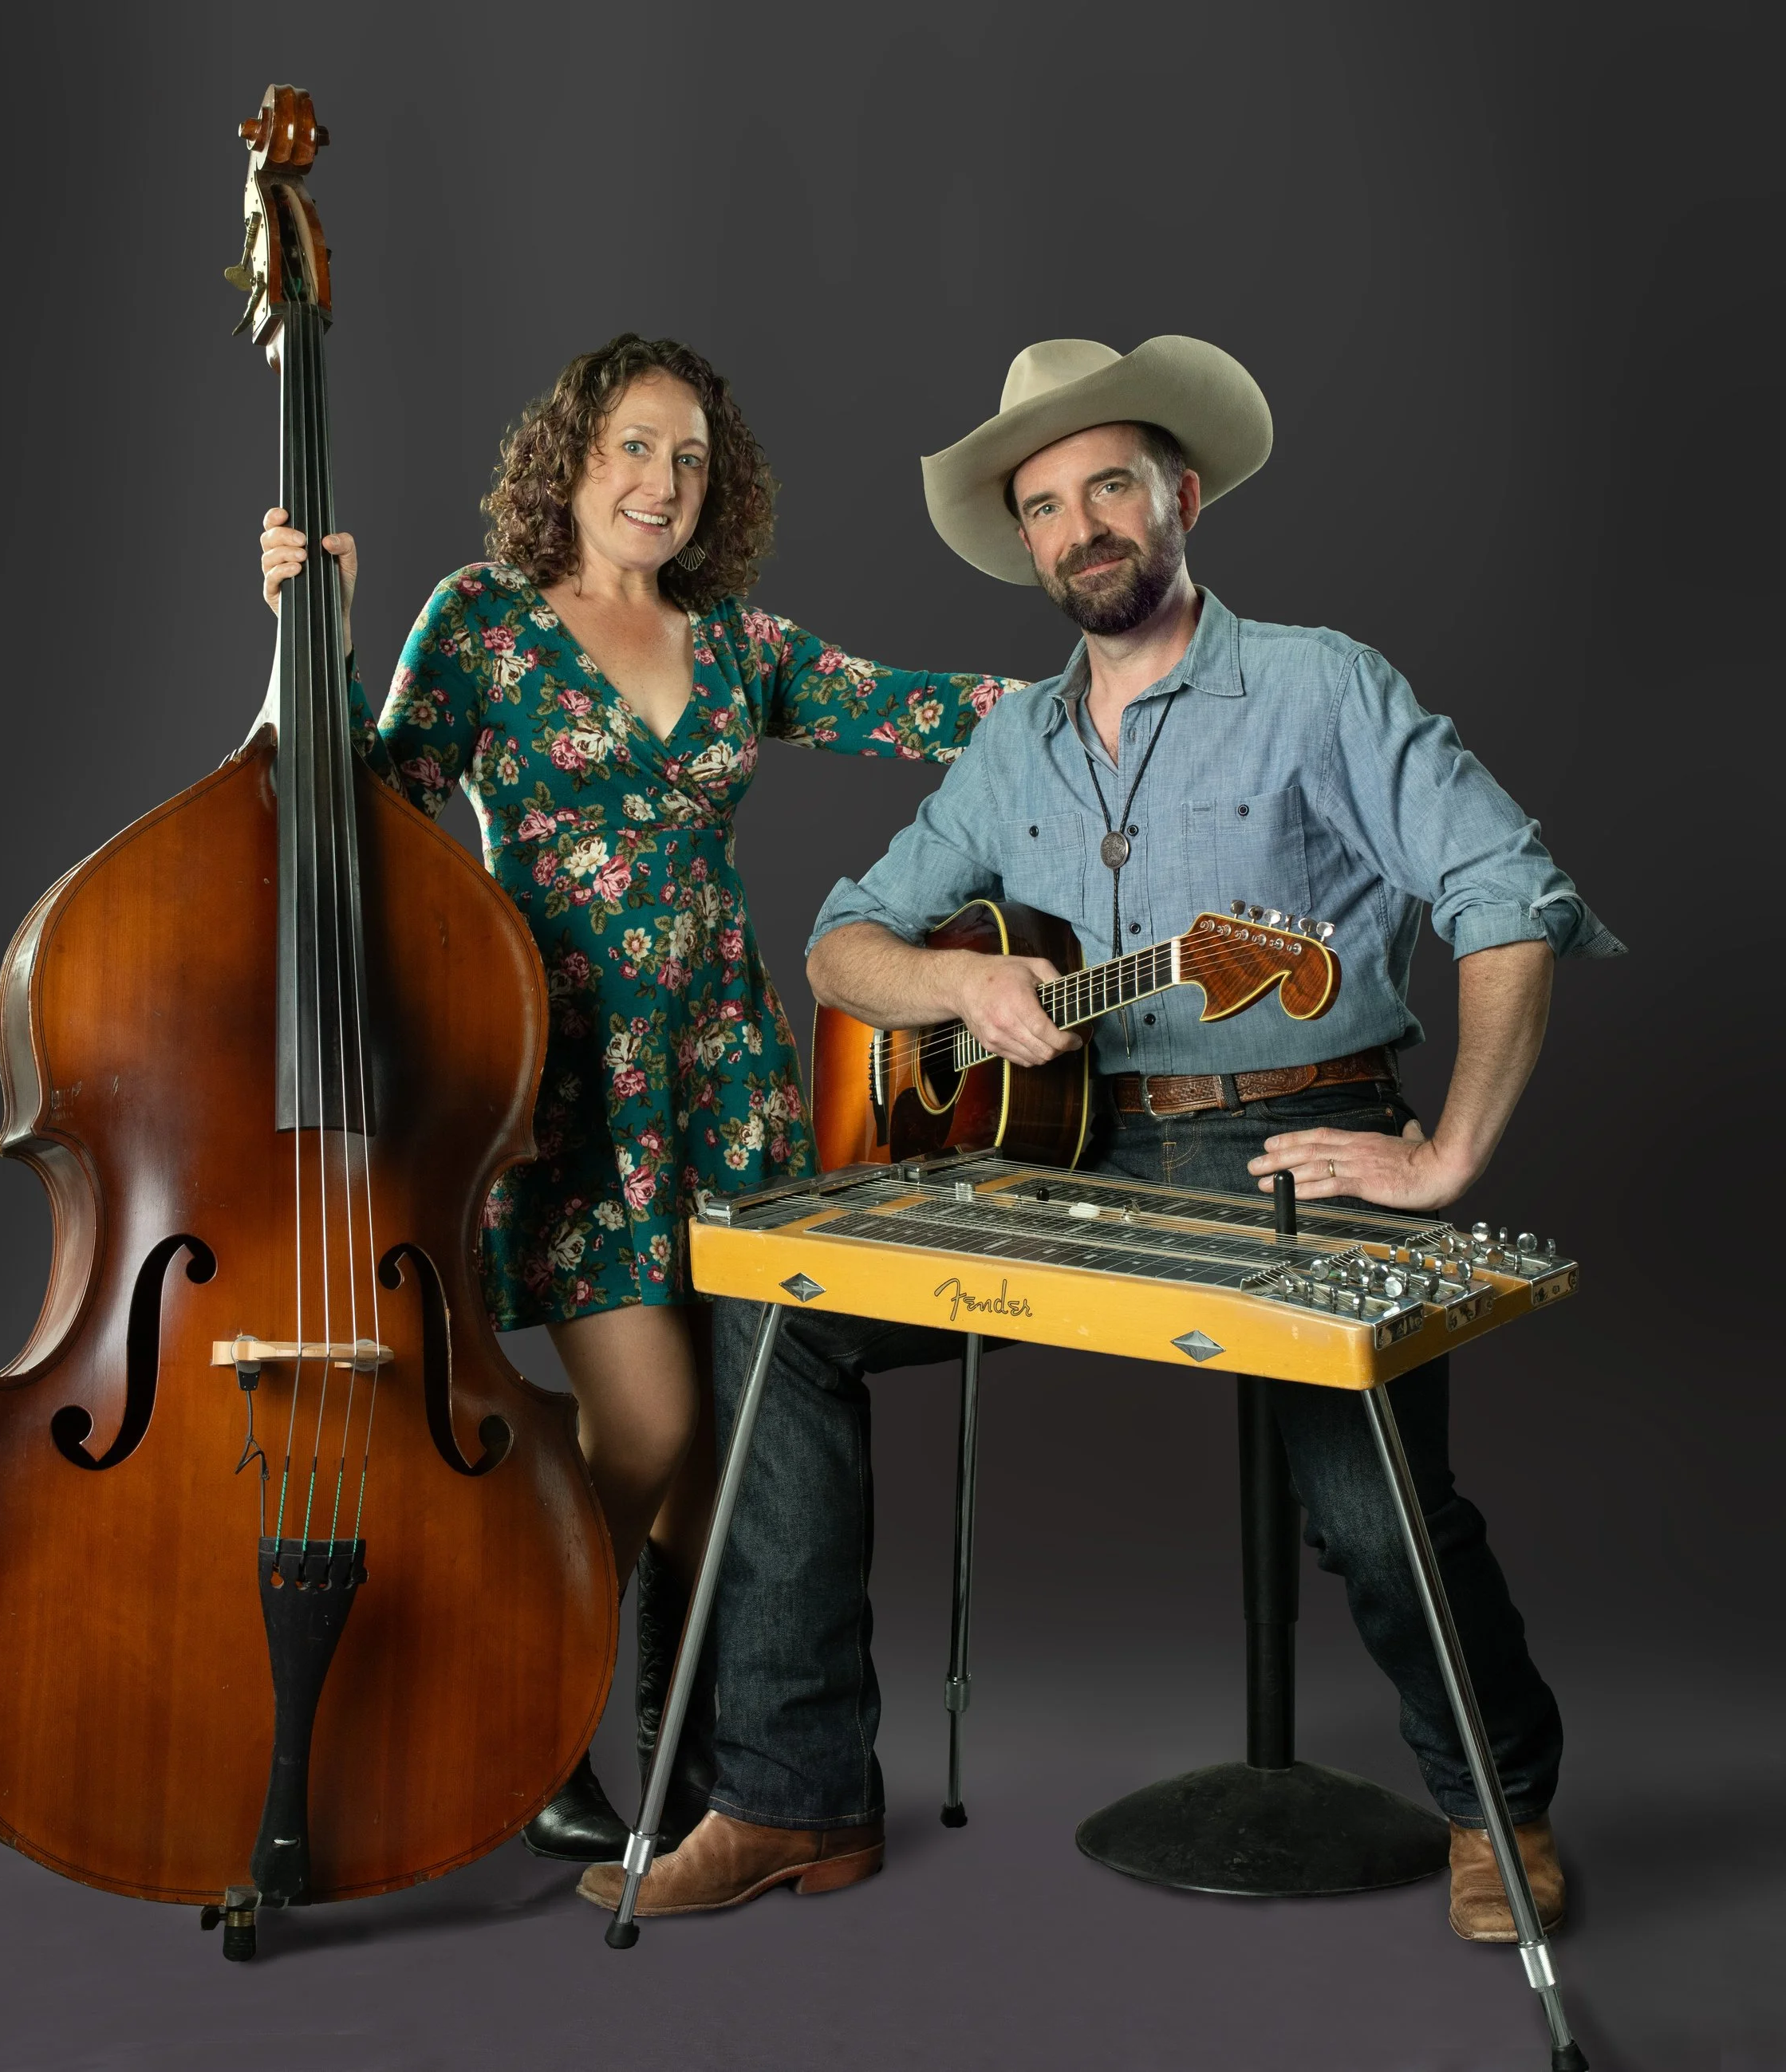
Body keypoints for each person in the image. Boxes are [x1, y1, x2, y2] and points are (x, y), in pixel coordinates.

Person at [578, 335, 1621, 1939]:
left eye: (1109, 486)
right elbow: (841, 943)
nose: (1081, 527)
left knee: (1368, 1505)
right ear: (1028, 546)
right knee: (778, 1308)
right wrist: (955, 982)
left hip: (1296, 1132)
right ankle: (791, 1798)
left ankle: (1495, 1812)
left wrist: (1445, 1154)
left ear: (1178, 496)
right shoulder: (1009, 748)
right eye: (1045, 506)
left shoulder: (1318, 685)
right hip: (1057, 1154)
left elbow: (1505, 893)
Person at [258, 333, 1021, 1860]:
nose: (662, 482)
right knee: (653, 1419)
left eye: (690, 460)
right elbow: (373, 799)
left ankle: (678, 1774)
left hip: (726, 1080)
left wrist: (1113, 697)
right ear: (571, 457)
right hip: (572, 1086)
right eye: (632, 446)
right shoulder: (479, 622)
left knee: (724, 1450)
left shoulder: (740, 644)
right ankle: (527, 1691)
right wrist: (307, 631)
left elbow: (926, 706)